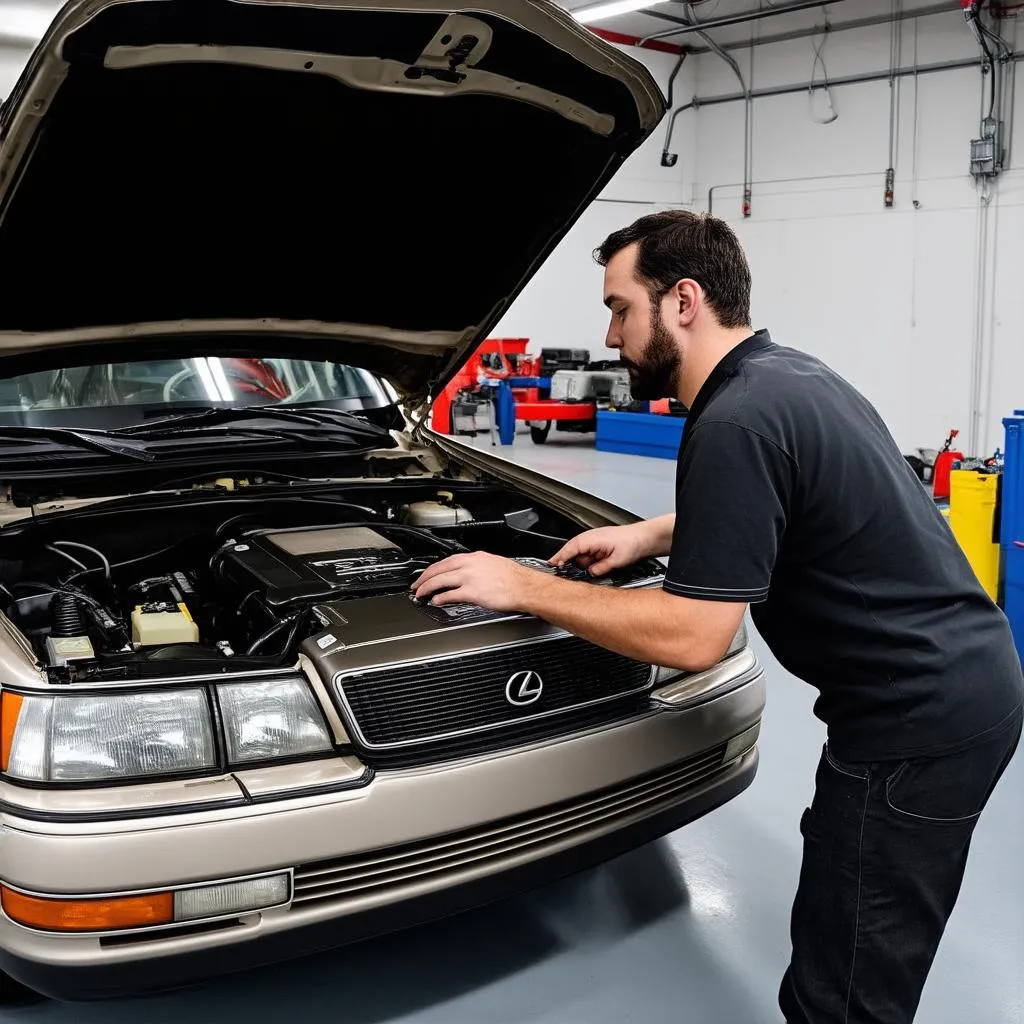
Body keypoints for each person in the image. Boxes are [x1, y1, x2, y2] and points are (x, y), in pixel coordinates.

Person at [413, 210, 1024, 1024]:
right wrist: (654, 531)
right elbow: (799, 499)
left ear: (685, 300)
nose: (610, 333)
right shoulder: (786, 376)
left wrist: (523, 587)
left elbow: (694, 638)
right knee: (853, 895)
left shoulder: (734, 419)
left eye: (621, 307)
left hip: (916, 717)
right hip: (961, 680)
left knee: (846, 982)